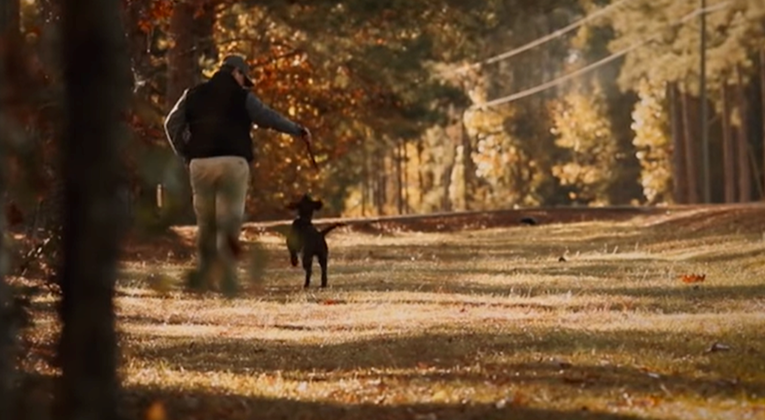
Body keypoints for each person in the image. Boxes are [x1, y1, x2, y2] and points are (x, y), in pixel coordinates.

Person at [163, 54, 312, 292]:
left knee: (206, 223)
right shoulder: (243, 97)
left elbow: (171, 124)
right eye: (245, 79)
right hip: (233, 163)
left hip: (200, 164)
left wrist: (185, 154)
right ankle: (226, 280)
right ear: (236, 73)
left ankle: (205, 279)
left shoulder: (192, 94)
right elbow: (268, 118)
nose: (245, 84)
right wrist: (298, 130)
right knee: (229, 222)